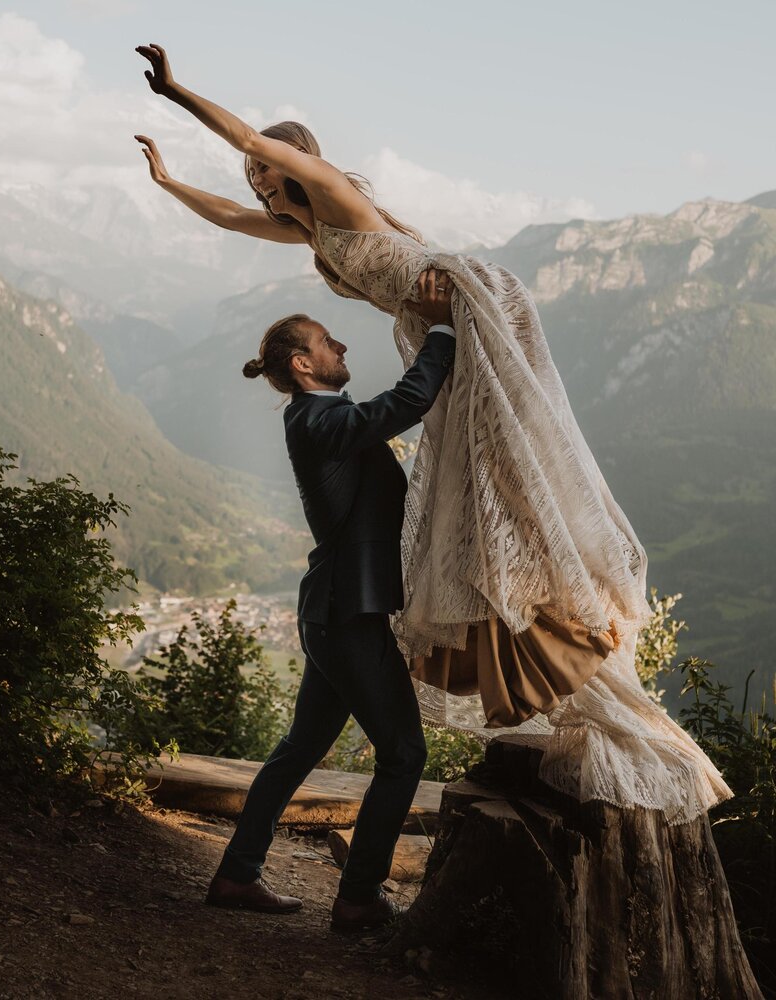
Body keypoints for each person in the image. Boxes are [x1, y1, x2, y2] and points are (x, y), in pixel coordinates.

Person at [133, 44, 733, 825]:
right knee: (476, 495)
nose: (255, 181)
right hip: (433, 325)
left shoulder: (339, 195)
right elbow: (228, 215)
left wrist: (176, 91)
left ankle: (568, 613)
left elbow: (249, 139)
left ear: (296, 163)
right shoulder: (311, 230)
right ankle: (533, 633)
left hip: (459, 308)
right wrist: (168, 181)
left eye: (266, 172)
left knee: (505, 479)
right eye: (256, 178)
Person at [205, 273, 456, 931]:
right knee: (404, 755)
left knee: (296, 750)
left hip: (330, 613)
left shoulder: (312, 417)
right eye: (326, 340)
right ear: (303, 363)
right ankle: (359, 896)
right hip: (348, 615)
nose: (340, 344)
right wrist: (440, 330)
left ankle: (236, 875)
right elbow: (404, 404)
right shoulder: (323, 417)